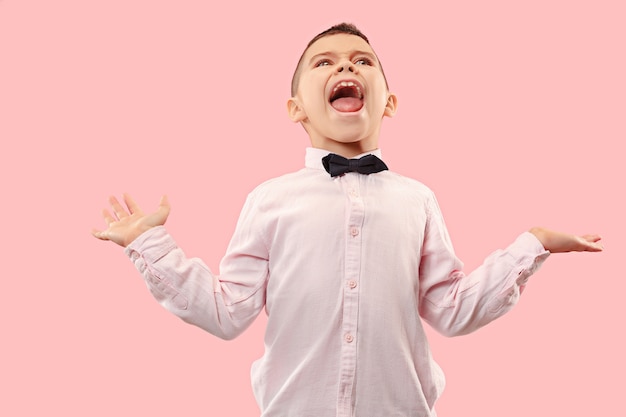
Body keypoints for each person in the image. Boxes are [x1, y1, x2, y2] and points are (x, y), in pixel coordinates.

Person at [92, 23, 602, 417]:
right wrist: (149, 244)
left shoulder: (418, 200)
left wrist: (532, 245)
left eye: (363, 61)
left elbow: (451, 308)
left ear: (390, 101)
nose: (346, 67)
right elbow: (227, 313)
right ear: (296, 108)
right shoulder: (269, 200)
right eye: (324, 62)